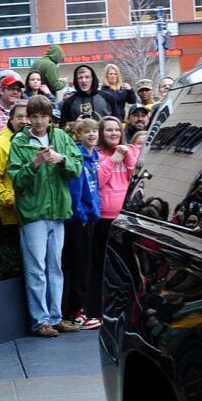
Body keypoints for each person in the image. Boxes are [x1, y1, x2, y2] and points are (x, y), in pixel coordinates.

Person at [7, 95, 83, 336]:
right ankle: (40, 321)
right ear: (28, 118)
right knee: (36, 268)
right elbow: (16, 180)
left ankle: (56, 316)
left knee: (55, 267)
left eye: (43, 116)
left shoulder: (61, 137)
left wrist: (61, 160)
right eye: (35, 116)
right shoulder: (19, 142)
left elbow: (77, 166)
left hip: (58, 210)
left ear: (50, 117)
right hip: (33, 213)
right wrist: (35, 163)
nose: (39, 121)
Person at [92, 116, 138, 319]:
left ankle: (126, 308)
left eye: (117, 130)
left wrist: (127, 158)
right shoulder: (98, 154)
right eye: (109, 130)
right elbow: (98, 182)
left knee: (125, 266)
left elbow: (136, 179)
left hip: (125, 217)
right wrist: (112, 160)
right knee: (103, 265)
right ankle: (102, 307)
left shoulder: (131, 150)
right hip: (103, 217)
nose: (113, 134)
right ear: (102, 133)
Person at [63, 117, 102, 330]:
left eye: (95, 131)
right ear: (78, 135)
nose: (92, 134)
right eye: (86, 132)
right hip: (79, 221)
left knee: (85, 266)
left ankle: (79, 310)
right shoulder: (77, 157)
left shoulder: (93, 157)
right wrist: (81, 216)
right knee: (79, 267)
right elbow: (76, 193)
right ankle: (75, 313)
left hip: (90, 218)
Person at [0, 99, 27, 248]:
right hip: (10, 217)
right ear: (11, 119)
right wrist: (12, 201)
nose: (24, 121)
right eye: (20, 117)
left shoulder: (35, 142)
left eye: (28, 117)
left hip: (35, 214)